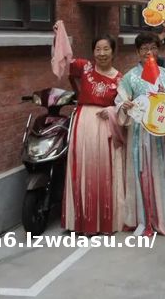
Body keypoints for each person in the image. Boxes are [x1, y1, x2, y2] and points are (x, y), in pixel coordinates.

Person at [63, 35, 133, 234]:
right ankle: (80, 220)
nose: (101, 53)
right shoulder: (84, 67)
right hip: (83, 124)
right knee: (81, 168)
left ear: (113, 52)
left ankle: (104, 220)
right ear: (93, 52)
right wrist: (60, 35)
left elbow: (124, 107)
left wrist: (112, 110)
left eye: (106, 49)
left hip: (105, 127)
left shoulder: (121, 79)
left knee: (104, 170)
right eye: (98, 49)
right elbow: (62, 60)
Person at [116, 32, 165, 236]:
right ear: (137, 52)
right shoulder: (129, 77)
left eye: (153, 48)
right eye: (144, 49)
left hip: (163, 134)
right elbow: (120, 101)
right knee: (141, 173)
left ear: (158, 50)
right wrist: (125, 105)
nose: (149, 52)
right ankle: (142, 218)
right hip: (139, 133)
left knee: (163, 172)